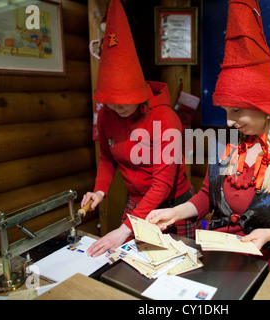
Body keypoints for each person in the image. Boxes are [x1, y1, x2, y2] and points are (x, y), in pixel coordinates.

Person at [147, 0, 270, 268]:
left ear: (264, 106)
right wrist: (174, 212)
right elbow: (206, 197)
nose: (229, 122)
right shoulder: (228, 141)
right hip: (214, 256)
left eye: (236, 111)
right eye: (225, 111)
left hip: (268, 263)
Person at [82, 0, 198, 258]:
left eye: (123, 102)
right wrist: (100, 190)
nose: (116, 107)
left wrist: (124, 229)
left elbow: (163, 183)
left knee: (179, 266)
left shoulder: (164, 118)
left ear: (138, 92)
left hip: (172, 205)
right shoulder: (107, 114)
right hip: (136, 202)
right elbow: (106, 157)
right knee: (134, 265)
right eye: (109, 101)